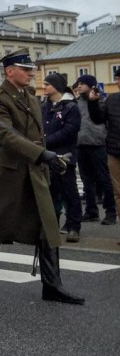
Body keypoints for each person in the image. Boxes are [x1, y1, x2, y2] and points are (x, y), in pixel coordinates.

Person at [0, 51, 84, 304]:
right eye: (25, 69)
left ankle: (51, 285)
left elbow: (39, 132)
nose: (31, 73)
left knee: (48, 224)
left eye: (31, 69)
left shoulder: (29, 96)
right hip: (10, 171)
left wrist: (49, 155)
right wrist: (42, 154)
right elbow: (7, 137)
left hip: (34, 169)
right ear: (9, 71)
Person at [42, 72, 82, 242]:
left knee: (69, 193)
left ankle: (74, 227)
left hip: (65, 156)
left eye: (46, 84)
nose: (43, 87)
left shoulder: (70, 107)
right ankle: (52, 226)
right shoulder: (45, 106)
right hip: (48, 156)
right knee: (50, 194)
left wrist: (45, 141)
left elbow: (69, 131)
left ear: (55, 86)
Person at [73, 75, 116, 225]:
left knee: (105, 180)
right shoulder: (76, 103)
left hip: (98, 145)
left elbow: (105, 121)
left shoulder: (101, 102)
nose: (79, 86)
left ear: (91, 86)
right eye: (78, 83)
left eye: (82, 84)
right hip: (81, 145)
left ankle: (111, 212)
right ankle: (91, 211)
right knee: (86, 180)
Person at [87, 71, 120, 240]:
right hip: (115, 151)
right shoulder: (113, 99)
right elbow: (98, 118)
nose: (118, 82)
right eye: (118, 79)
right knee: (118, 192)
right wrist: (93, 102)